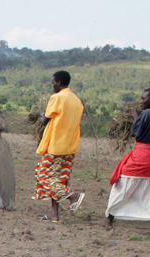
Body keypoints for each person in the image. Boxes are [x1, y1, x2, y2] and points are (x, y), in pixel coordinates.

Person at [103, 88, 150, 238]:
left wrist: (136, 117)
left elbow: (136, 132)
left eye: (144, 99)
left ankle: (109, 220)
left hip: (141, 156)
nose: (141, 101)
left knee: (122, 186)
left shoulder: (146, 114)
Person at [33, 70, 85, 222]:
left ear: (59, 83)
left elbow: (45, 121)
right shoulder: (77, 100)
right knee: (58, 179)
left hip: (56, 145)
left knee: (42, 175)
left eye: (53, 83)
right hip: (70, 146)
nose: (53, 86)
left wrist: (41, 114)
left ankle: (73, 196)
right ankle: (54, 214)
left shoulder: (57, 98)